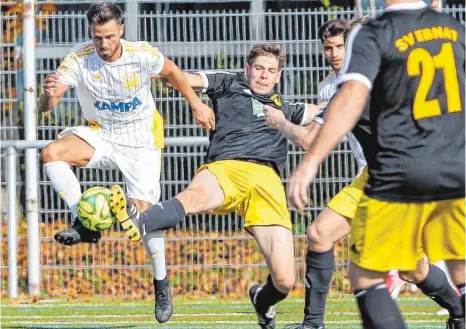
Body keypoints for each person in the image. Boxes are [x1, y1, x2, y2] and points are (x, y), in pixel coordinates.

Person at [265, 17, 465, 329]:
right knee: (320, 235)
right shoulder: (338, 84)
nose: (333, 54)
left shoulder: (365, 82)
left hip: (394, 178)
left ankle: (458, 309)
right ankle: (313, 324)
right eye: (328, 48)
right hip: (373, 175)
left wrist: (280, 122)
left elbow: (308, 138)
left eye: (341, 47)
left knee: (406, 269)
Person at [109, 43, 319, 329]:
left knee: (284, 280)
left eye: (271, 71)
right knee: (192, 197)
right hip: (228, 167)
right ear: (248, 69)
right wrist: (148, 68)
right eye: (259, 69)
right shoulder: (230, 82)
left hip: (268, 182)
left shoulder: (286, 108)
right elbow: (181, 77)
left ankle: (262, 301)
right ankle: (138, 219)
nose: (263, 76)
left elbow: (331, 109)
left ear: (278, 76)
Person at [37, 2, 214, 323]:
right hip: (102, 133)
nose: (102, 44)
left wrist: (197, 105)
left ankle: (161, 285)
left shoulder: (141, 53)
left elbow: (173, 71)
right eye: (96, 37)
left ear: (120, 29)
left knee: (146, 217)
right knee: (52, 153)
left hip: (141, 140)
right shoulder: (79, 57)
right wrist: (49, 94)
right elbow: (48, 104)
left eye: (108, 36)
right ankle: (85, 224)